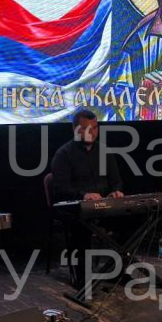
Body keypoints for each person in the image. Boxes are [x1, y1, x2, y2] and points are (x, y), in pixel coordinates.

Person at [50, 109, 124, 287]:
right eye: (85, 128)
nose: (91, 132)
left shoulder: (104, 151)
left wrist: (116, 192)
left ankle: (118, 271)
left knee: (128, 221)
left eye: (95, 128)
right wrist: (83, 195)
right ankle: (83, 277)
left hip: (103, 207)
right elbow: (60, 189)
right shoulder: (64, 154)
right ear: (75, 129)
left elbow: (116, 181)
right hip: (74, 209)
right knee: (82, 226)